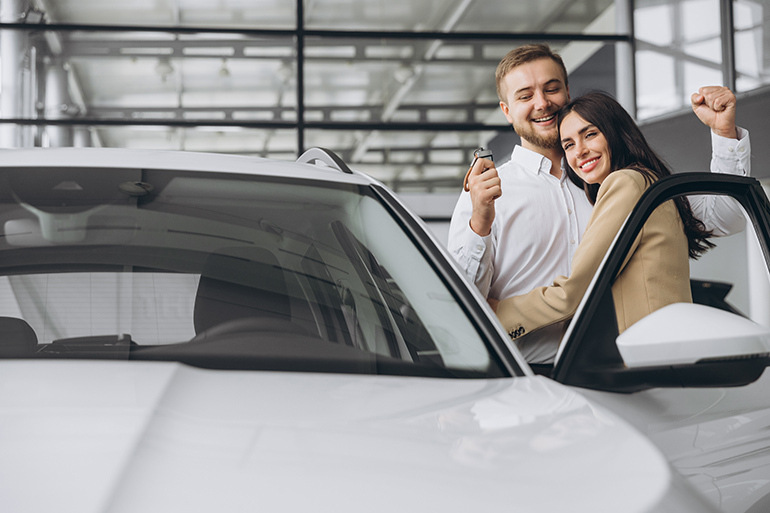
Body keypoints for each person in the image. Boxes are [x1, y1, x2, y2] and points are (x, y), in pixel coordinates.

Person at [447, 43, 751, 363]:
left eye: (552, 89)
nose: (542, 103)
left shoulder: (614, 178)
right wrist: (480, 221)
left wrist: (724, 133)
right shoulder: (486, 192)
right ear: (507, 110)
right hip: (526, 372)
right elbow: (462, 301)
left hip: (612, 373)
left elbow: (726, 217)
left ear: (567, 91)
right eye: (525, 95)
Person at [492, 91, 710, 357]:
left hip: (644, 359)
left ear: (615, 132)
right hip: (665, 352)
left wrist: (495, 313)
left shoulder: (626, 183)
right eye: (568, 144)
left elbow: (573, 292)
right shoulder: (649, 181)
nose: (580, 151)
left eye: (590, 134)